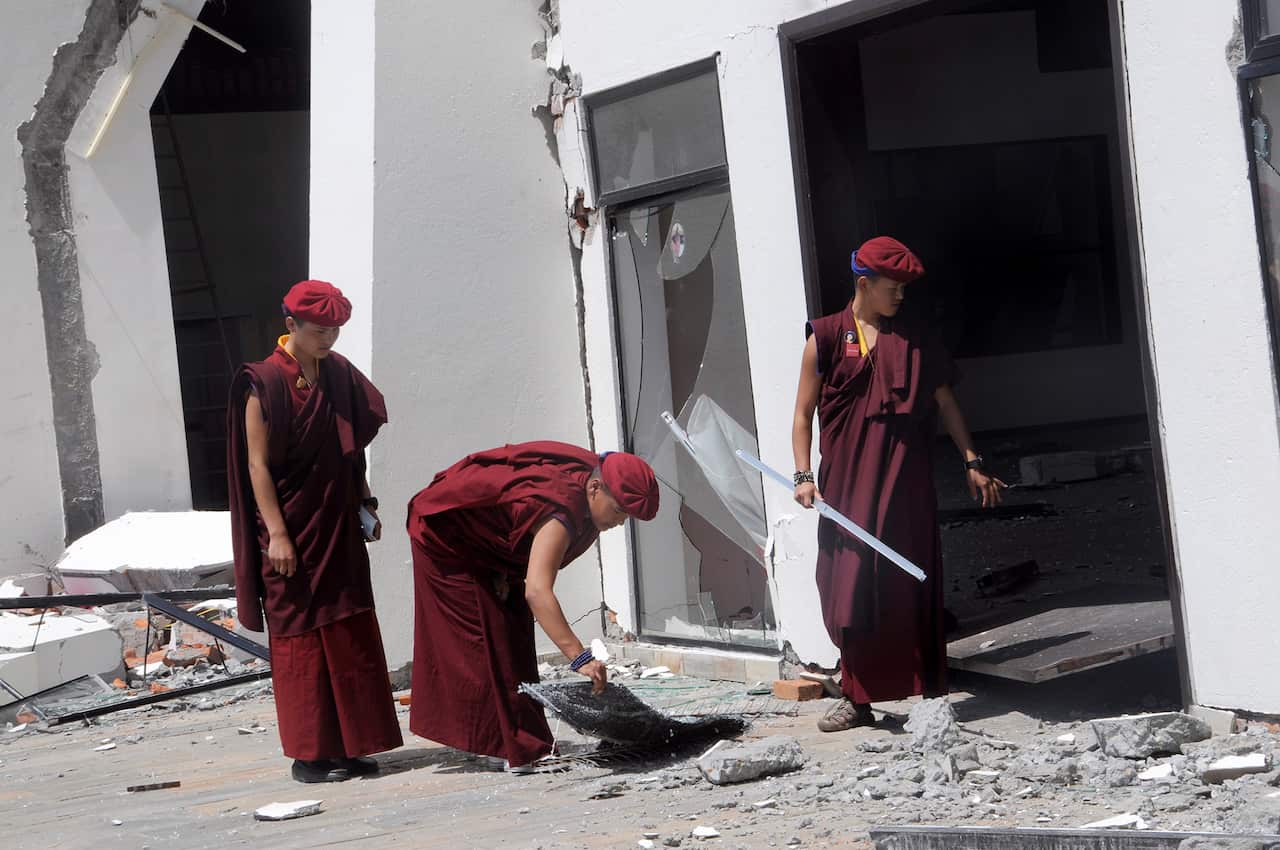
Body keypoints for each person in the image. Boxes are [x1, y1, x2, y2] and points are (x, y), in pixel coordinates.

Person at [790, 237, 1005, 732]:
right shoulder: (825, 337)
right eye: (893, 289)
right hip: (845, 488)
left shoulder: (915, 338)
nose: (900, 298)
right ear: (863, 284)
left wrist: (972, 459)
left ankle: (925, 692)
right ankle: (857, 693)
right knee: (847, 589)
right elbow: (803, 415)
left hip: (906, 486)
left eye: (905, 290)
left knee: (909, 585)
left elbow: (946, 402)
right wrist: (802, 475)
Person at [227, 279, 403, 783]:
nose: (329, 340)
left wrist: (364, 500)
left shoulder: (339, 374)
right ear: (291, 327)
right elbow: (257, 466)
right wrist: (278, 534)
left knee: (349, 633)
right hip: (292, 530)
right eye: (320, 331)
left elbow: (351, 447)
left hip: (336, 523)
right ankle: (310, 755)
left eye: (335, 331)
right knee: (302, 642)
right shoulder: (262, 382)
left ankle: (350, 747)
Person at [405, 442, 659, 770]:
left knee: (513, 628)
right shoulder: (562, 508)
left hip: (486, 548)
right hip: (445, 536)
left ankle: (520, 741)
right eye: (619, 511)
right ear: (595, 488)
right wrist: (579, 656)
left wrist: (505, 569)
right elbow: (538, 591)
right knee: (483, 638)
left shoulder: (589, 484)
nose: (621, 522)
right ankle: (507, 747)